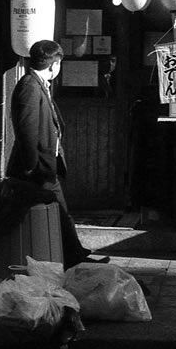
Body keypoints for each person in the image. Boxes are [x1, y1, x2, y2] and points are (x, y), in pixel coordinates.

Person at [7, 39, 105, 267]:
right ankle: (74, 257)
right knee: (58, 211)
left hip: (42, 164)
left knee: (56, 212)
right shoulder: (29, 86)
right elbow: (27, 129)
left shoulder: (35, 84)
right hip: (38, 167)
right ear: (54, 65)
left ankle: (73, 256)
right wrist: (33, 165)